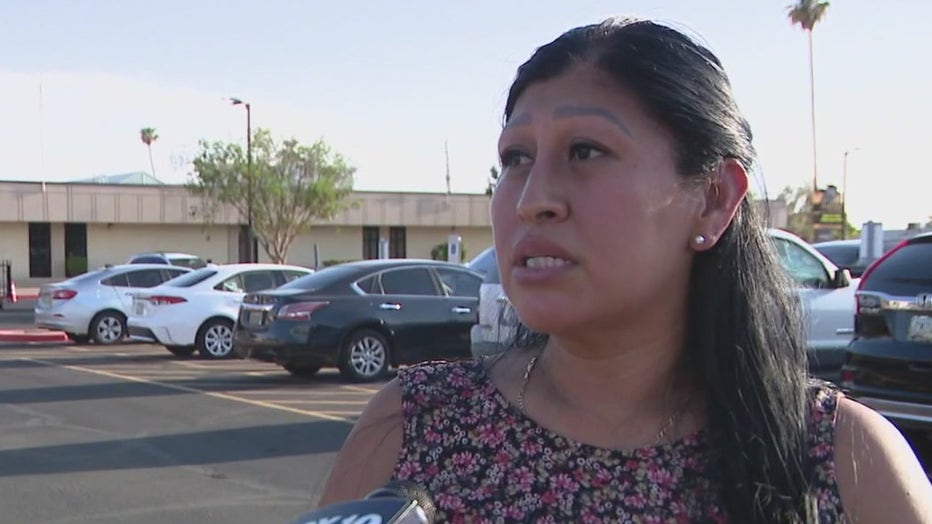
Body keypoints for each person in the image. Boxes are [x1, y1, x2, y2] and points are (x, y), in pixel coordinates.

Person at [320, 17, 932, 522]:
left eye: (585, 151)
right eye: (516, 157)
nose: (533, 198)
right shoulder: (413, 428)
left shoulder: (845, 460)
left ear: (714, 198)